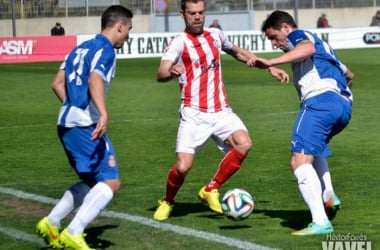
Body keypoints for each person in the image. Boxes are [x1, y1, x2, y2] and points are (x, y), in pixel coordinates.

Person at [152, 0, 289, 221]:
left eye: (201, 12)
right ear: (182, 14)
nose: (197, 17)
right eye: (192, 13)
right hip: (193, 113)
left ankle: (210, 189)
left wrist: (269, 67)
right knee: (183, 167)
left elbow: (237, 52)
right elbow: (160, 74)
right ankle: (167, 201)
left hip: (221, 110)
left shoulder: (215, 35)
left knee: (244, 143)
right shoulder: (178, 43)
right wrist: (172, 72)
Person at [248, 10, 354, 236]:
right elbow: (350, 76)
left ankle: (320, 221)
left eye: (274, 37)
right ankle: (328, 196)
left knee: (299, 160)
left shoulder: (299, 35)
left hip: (320, 101)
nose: (274, 43)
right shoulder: (326, 47)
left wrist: (271, 61)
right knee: (315, 150)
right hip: (343, 106)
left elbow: (307, 48)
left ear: (286, 27)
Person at [36, 5, 133, 249]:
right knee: (111, 182)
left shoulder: (79, 49)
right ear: (119, 26)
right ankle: (75, 230)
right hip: (84, 125)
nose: (128, 35)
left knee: (93, 181)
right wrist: (101, 113)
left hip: (66, 123)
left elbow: (57, 83)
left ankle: (53, 221)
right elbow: (94, 79)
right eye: (128, 29)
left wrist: (74, 107)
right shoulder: (106, 50)